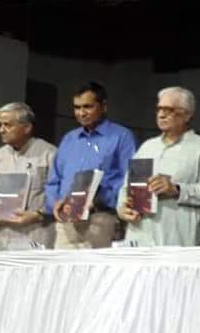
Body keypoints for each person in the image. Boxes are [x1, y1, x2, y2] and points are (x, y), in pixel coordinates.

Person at [116, 87, 200, 246]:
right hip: (139, 235)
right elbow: (126, 187)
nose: (161, 115)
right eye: (159, 109)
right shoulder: (147, 147)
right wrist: (122, 208)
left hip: (177, 237)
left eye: (168, 110)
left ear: (187, 115)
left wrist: (176, 189)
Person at [45, 81, 137, 249]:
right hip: (66, 222)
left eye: (87, 107)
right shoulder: (69, 139)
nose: (81, 113)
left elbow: (129, 179)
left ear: (103, 106)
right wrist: (55, 203)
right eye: (77, 107)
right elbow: (54, 180)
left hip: (101, 219)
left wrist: (101, 199)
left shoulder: (122, 137)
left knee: (97, 267)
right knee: (62, 266)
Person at [0, 102, 57, 250]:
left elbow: (58, 196)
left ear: (27, 128)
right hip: (0, 238)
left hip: (34, 235)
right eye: (0, 124)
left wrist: (37, 215)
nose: (1, 130)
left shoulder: (49, 154)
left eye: (7, 125)